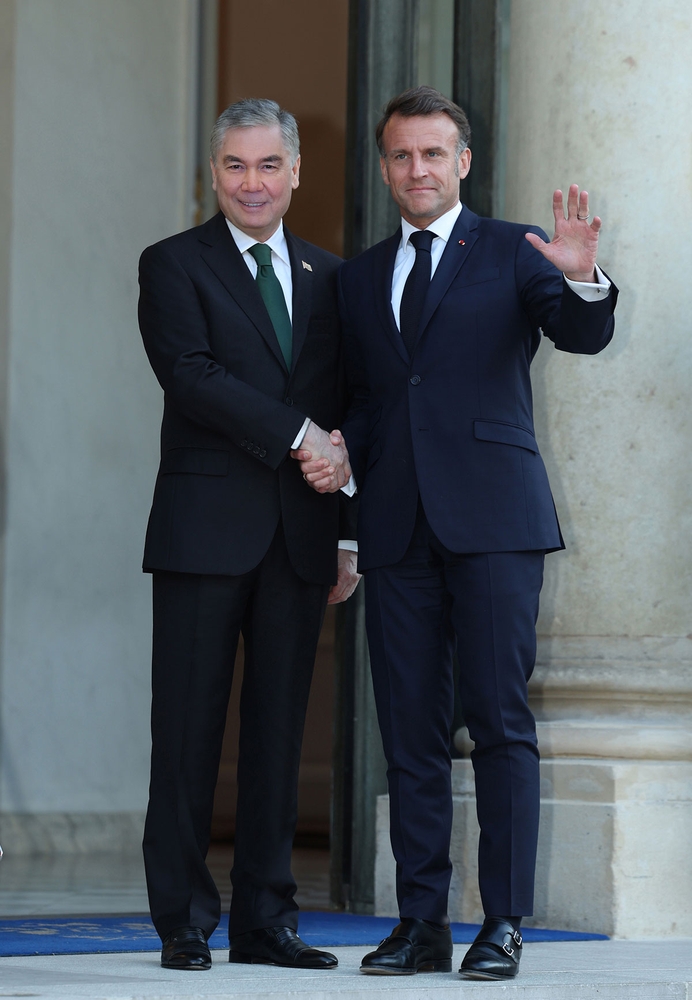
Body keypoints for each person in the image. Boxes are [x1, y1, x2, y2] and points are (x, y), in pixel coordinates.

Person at [296, 86, 617, 981]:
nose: (418, 169)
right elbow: (364, 406)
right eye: (402, 155)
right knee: (410, 733)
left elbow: (581, 334)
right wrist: (346, 518)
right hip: (397, 531)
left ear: (462, 162)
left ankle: (504, 922)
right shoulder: (358, 278)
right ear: (385, 167)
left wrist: (581, 280)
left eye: (434, 153)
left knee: (501, 721)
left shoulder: (517, 249)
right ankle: (421, 923)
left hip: (495, 523)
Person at [138, 98, 357, 972]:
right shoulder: (172, 263)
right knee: (186, 731)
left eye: (269, 165)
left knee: (277, 734)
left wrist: (347, 535)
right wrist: (300, 436)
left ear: (296, 171)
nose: (253, 183)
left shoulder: (331, 276)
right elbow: (191, 376)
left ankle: (266, 921)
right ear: (214, 172)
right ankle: (183, 921)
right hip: (204, 532)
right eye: (236, 165)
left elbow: (345, 408)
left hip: (301, 536)